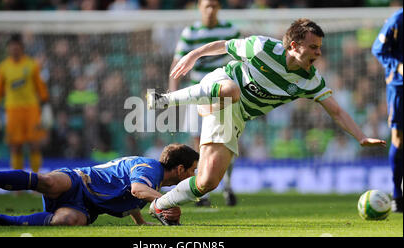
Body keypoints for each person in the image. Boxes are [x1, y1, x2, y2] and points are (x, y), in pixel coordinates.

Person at [146, 18, 387, 224]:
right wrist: (194, 54)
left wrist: (361, 136)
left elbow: (336, 111)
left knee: (207, 182)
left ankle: (160, 205)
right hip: (221, 84)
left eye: (319, 48)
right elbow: (224, 45)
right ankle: (164, 100)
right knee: (231, 89)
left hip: (236, 115)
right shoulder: (262, 47)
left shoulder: (311, 80)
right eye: (313, 47)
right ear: (294, 45)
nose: (319, 53)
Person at [0, 143, 199, 226]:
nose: (193, 175)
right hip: (80, 181)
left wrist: (142, 221)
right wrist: (161, 204)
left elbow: (130, 196)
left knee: (67, 221)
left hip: (87, 208)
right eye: (192, 170)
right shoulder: (151, 168)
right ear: (180, 169)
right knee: (47, 181)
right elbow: (137, 190)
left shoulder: (153, 181)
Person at [169, 0, 240, 206]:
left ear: (219, 8)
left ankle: (227, 185)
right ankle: (204, 194)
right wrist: (174, 95)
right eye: (207, 5)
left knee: (228, 141)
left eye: (214, 5)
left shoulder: (230, 30)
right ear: (199, 7)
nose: (210, 10)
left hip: (224, 94)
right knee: (199, 144)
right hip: (198, 94)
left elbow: (241, 60)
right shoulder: (190, 32)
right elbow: (177, 64)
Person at [0, 34, 53, 174]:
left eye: (17, 48)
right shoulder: (3, 67)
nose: (14, 51)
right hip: (12, 110)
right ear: (8, 49)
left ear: (22, 48)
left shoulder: (32, 64)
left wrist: (46, 103)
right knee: (15, 146)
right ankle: (17, 184)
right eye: (12, 48)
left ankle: (36, 180)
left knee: (34, 145)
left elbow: (40, 86)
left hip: (31, 109)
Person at [371, 8, 403, 213]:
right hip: (400, 87)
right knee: (399, 138)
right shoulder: (397, 20)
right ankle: (397, 195)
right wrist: (398, 66)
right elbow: (378, 49)